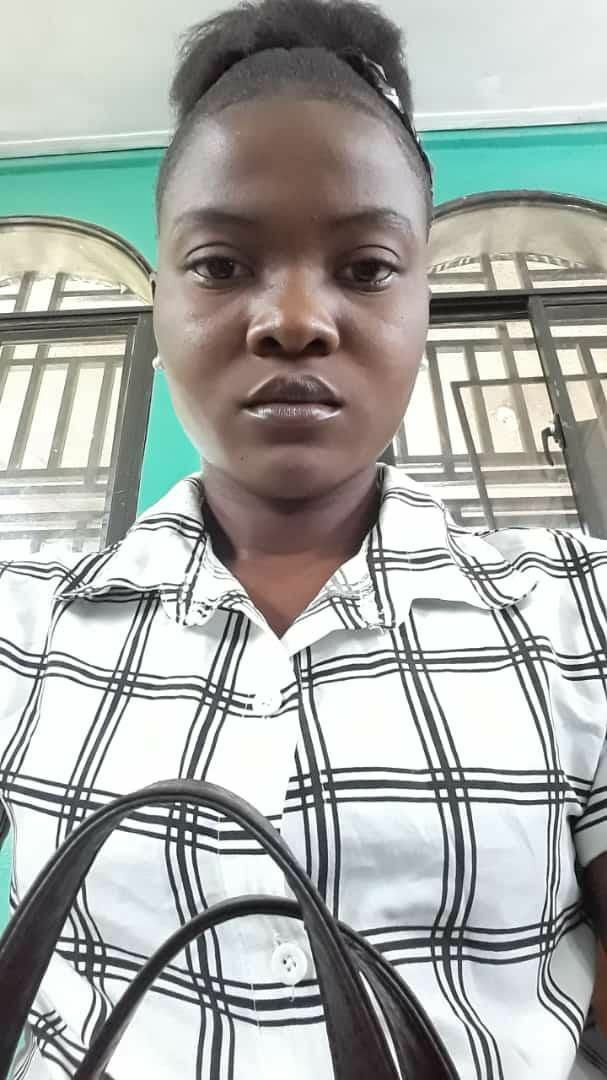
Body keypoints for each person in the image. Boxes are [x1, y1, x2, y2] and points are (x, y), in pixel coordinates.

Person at [1, 0, 607, 1076]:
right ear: (159, 310)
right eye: (220, 265)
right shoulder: (23, 625)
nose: (291, 319)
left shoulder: (581, 611)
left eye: (365, 269)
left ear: (423, 310)